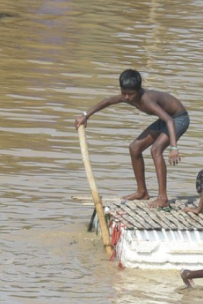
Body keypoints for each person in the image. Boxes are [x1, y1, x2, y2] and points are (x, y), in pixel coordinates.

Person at [74, 69, 188, 208]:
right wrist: (86, 115)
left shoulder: (147, 100)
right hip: (165, 119)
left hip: (178, 119)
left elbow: (169, 120)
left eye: (130, 94)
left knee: (156, 150)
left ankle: (163, 198)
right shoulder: (126, 96)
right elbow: (108, 101)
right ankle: (142, 192)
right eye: (124, 93)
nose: (126, 97)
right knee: (134, 148)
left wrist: (173, 147)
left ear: (139, 90)